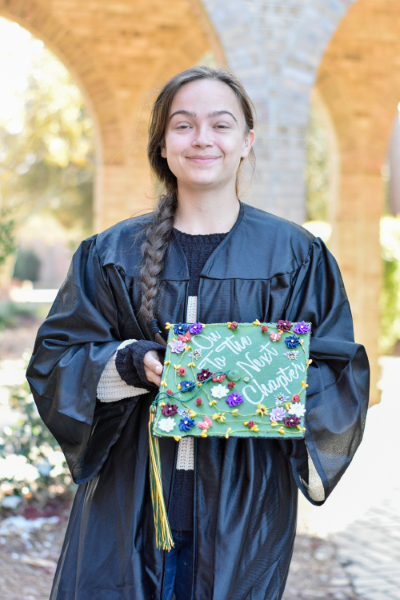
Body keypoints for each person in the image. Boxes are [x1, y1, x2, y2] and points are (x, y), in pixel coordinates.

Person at [26, 66, 369, 600]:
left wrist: (272, 378)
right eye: (183, 125)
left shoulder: (295, 255)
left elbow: (336, 369)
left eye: (221, 125)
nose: (202, 138)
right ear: (162, 145)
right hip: (128, 495)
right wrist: (128, 363)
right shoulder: (112, 253)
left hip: (244, 497)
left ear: (247, 141)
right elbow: (57, 359)